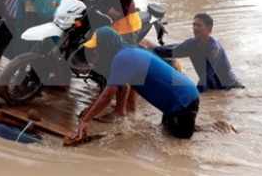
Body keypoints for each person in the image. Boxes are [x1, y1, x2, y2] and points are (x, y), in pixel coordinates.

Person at [64, 0, 142, 121]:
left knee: (118, 63)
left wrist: (120, 8)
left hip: (124, 23)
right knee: (121, 62)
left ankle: (120, 111)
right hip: (113, 21)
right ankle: (131, 108)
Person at [69, 27, 200, 140]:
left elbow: (107, 96)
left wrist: (85, 121)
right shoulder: (127, 52)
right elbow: (119, 88)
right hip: (179, 99)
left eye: (97, 47)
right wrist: (91, 109)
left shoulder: (122, 58)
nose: (96, 52)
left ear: (107, 44)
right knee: (166, 134)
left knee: (178, 146)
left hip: (183, 101)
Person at [146, 13, 244, 93]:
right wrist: (148, 47)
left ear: (208, 29)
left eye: (199, 25)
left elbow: (207, 75)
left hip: (231, 88)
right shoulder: (191, 44)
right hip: (212, 87)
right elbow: (169, 51)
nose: (195, 28)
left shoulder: (214, 48)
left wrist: (196, 94)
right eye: (193, 25)